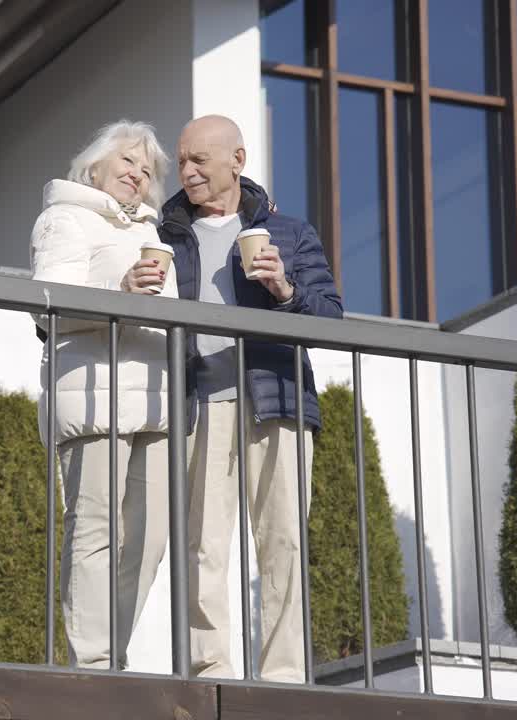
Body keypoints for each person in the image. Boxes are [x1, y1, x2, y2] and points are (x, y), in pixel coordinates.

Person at [158, 115, 343, 682]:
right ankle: (209, 670)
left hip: (277, 399)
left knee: (284, 541)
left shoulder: (288, 232)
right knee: (202, 546)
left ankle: (284, 676)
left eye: (199, 160)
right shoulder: (164, 234)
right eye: (182, 161)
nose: (186, 172)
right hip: (197, 403)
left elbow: (331, 319)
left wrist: (284, 289)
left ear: (236, 160)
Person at [29, 120, 175, 669]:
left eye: (147, 169)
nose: (137, 174)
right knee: (95, 530)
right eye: (127, 161)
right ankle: (92, 663)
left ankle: (112, 653)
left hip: (155, 401)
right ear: (95, 166)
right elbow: (49, 306)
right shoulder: (66, 217)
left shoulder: (152, 235)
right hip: (94, 395)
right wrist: (121, 291)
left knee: (149, 540)